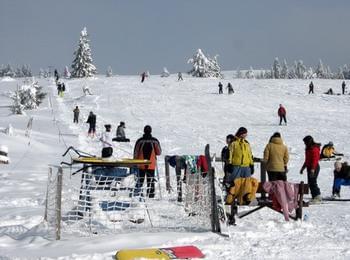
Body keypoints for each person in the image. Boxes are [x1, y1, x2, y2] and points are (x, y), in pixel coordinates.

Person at [133, 125, 162, 198]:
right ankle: (151, 194)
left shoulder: (140, 141)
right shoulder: (154, 141)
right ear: (151, 131)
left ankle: (138, 193)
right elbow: (159, 152)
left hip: (141, 163)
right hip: (151, 163)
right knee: (151, 179)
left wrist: (135, 161)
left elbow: (136, 152)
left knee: (140, 179)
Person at [300, 135, 321, 203]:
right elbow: (307, 160)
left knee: (313, 182)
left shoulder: (314, 149)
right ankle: (314, 196)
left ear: (308, 142)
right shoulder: (308, 149)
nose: (304, 144)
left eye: (305, 142)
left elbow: (315, 160)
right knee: (310, 182)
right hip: (309, 167)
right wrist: (303, 168)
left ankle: (317, 197)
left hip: (314, 167)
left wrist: (313, 169)